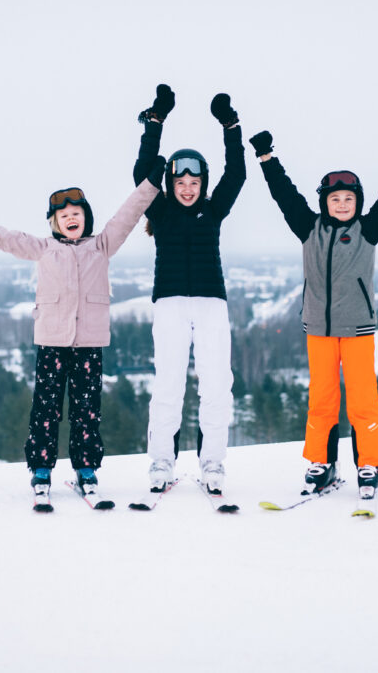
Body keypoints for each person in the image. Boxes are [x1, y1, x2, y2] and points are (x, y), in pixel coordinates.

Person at [0, 160, 166, 499]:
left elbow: (127, 215)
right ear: (55, 222)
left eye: (77, 213)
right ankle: (42, 468)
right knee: (45, 408)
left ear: (86, 218)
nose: (71, 218)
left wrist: (151, 183)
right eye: (64, 216)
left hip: (89, 343)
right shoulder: (44, 248)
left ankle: (86, 467)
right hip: (52, 342)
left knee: (86, 409)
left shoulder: (102, 246)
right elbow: (5, 238)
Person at [248, 127, 378, 501]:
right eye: (336, 198)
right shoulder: (308, 228)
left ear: (357, 202)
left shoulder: (368, 229)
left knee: (362, 400)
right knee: (323, 399)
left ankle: (369, 463)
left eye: (349, 198)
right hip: (318, 329)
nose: (343, 204)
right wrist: (267, 158)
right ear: (324, 203)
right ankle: (321, 463)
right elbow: (284, 195)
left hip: (358, 328)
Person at [133, 84, 246, 494]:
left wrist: (230, 125)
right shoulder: (159, 210)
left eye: (193, 181)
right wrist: (156, 122)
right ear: (170, 183)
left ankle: (213, 463)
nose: (186, 187)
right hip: (169, 304)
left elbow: (237, 174)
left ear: (202, 183)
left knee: (217, 383)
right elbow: (141, 173)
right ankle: (162, 461)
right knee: (168, 384)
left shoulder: (213, 210)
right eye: (179, 180)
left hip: (212, 304)